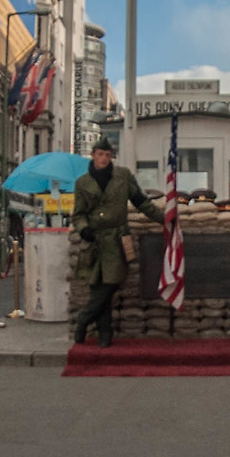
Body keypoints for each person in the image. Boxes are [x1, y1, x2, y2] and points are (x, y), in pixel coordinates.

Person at [70, 142, 160, 348]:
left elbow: (141, 201)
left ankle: (83, 319)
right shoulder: (82, 182)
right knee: (100, 287)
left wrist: (164, 219)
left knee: (110, 283)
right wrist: (84, 229)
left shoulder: (123, 176)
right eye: (100, 154)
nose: (103, 158)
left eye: (107, 155)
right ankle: (104, 333)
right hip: (95, 241)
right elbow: (78, 214)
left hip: (118, 239)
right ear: (92, 155)